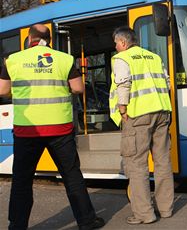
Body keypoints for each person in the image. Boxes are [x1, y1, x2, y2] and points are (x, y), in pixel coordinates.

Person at [0, 24, 104, 230]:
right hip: (60, 130)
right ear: (49, 40)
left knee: (22, 180)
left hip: (27, 130)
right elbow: (78, 88)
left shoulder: (13, 60)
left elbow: (2, 91)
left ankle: (17, 225)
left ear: (29, 39)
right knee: (72, 175)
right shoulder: (64, 59)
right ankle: (87, 221)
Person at [109, 27, 174, 225]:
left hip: (137, 115)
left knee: (137, 165)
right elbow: (168, 83)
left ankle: (144, 214)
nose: (115, 47)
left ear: (122, 43)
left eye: (115, 43)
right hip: (162, 112)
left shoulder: (122, 58)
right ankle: (166, 209)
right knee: (162, 162)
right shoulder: (154, 57)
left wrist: (122, 109)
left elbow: (123, 84)